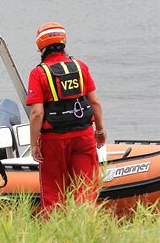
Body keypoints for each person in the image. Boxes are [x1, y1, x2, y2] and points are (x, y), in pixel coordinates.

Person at [26, 22, 106, 213]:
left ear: (40, 45)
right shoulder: (80, 67)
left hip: (53, 140)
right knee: (86, 188)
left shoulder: (39, 73)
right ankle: (84, 230)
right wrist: (100, 130)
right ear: (64, 41)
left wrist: (34, 144)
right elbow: (95, 102)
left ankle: (56, 233)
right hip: (84, 136)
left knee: (54, 192)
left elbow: (37, 113)